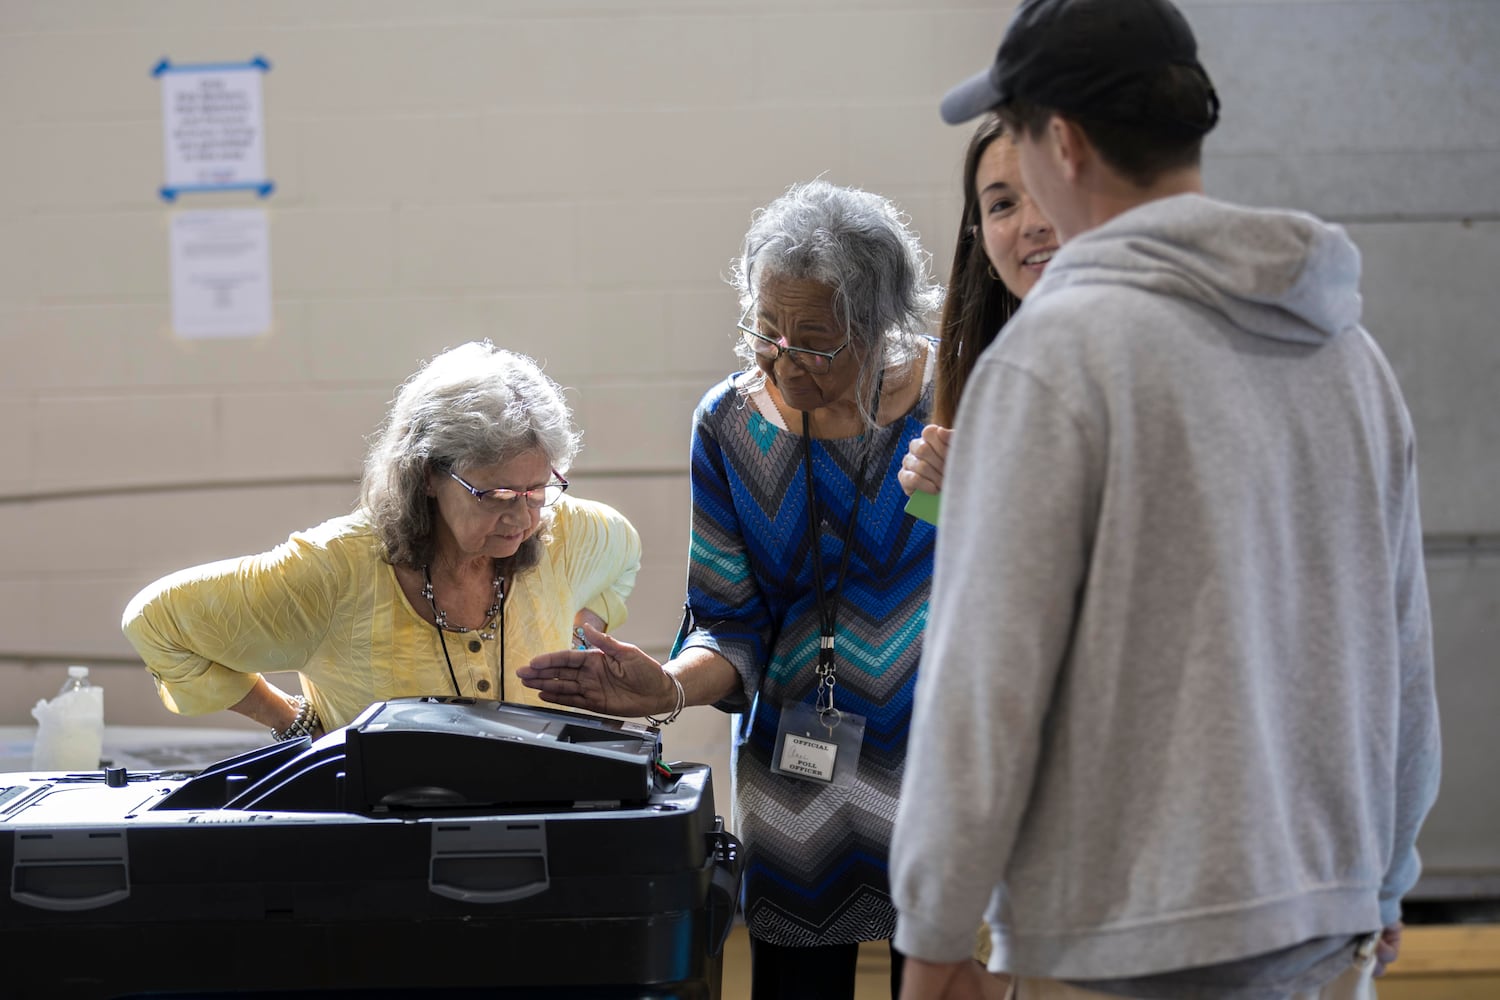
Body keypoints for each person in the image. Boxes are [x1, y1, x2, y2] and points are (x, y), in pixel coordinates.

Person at [890, 1, 1442, 999]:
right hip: (1328, 931)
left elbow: (986, 684)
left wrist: (931, 940)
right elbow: (1402, 655)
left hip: (1123, 946)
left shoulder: (1056, 359)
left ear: (1063, 140)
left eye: (1015, 132)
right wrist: (1386, 873)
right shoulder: (1349, 355)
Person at [520, 179, 942, 1000]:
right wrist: (665, 687)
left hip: (940, 766)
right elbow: (730, 621)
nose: (781, 358)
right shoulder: (728, 426)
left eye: (814, 339)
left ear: (880, 326)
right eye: (765, 327)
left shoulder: (948, 402)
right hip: (799, 782)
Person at [122, 341, 641, 741]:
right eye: (495, 494)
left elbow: (624, 555)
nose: (522, 516)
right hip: (385, 845)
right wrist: (297, 722)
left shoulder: (570, 533)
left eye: (536, 489)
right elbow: (156, 621)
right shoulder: (335, 570)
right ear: (427, 477)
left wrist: (581, 626)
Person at [898, 113, 1058, 506]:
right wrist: (936, 492)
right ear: (982, 240)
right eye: (1002, 204)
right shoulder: (981, 363)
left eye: (1051, 191)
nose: (1032, 223)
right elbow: (967, 544)